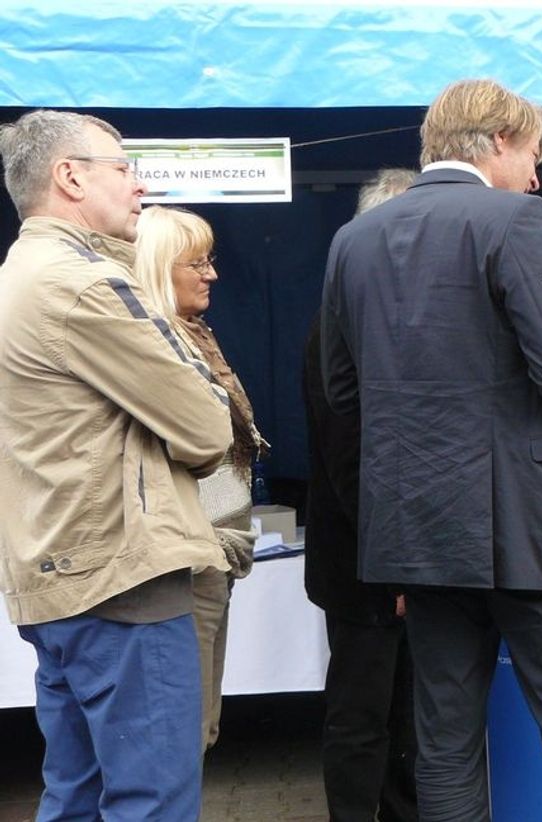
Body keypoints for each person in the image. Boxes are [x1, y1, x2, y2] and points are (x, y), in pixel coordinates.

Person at [320, 79, 542, 822]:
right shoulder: (517, 219)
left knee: (446, 744)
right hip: (534, 528)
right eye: (531, 154)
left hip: (420, 532)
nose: (536, 174)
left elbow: (341, 393)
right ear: (496, 141)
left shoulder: (353, 239)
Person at [0, 110, 232, 819]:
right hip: (122, 577)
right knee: (150, 801)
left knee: (76, 793)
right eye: (124, 167)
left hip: (60, 569)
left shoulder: (18, 272)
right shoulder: (85, 283)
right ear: (70, 176)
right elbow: (206, 426)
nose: (141, 185)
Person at [303, 168, 419, 822]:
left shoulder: (396, 319)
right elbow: (354, 465)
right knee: (361, 715)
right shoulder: (339, 327)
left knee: (406, 715)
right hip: (365, 568)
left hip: (398, 563)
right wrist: (396, 564)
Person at [134, 204, 266, 753]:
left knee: (201, 721)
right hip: (188, 557)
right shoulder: (157, 343)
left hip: (215, 552)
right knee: (184, 728)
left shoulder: (194, 335)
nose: (211, 274)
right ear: (160, 267)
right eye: (197, 263)